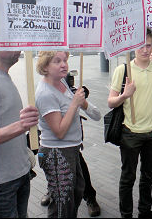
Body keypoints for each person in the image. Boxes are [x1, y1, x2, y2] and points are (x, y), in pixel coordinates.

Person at [108, 28, 152, 218]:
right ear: (133, 46)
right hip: (130, 132)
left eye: (149, 45)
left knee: (147, 177)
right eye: (141, 45)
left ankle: (144, 212)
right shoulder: (123, 70)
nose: (146, 50)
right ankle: (126, 214)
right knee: (128, 177)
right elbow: (110, 102)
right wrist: (125, 95)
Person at [35, 51, 95, 218]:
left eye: (65, 60)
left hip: (71, 149)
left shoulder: (60, 81)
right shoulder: (45, 93)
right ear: (45, 66)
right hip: (57, 153)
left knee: (76, 191)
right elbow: (60, 131)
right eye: (57, 61)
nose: (64, 64)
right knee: (62, 203)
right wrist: (75, 104)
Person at [0, 50, 39, 218]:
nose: (18, 48)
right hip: (2, 183)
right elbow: (17, 126)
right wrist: (22, 125)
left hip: (21, 174)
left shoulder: (5, 77)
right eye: (11, 42)